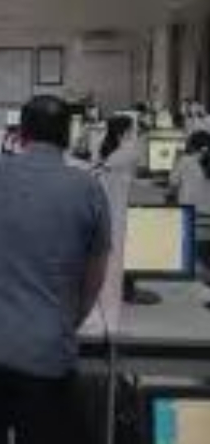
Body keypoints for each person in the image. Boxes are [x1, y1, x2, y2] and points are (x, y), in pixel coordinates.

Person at [0, 95, 111, 444]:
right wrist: (63, 324)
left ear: (20, 134)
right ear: (68, 137)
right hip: (44, 355)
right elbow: (94, 279)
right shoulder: (89, 189)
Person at [93, 115, 138, 321]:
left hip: (105, 208)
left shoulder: (104, 148)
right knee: (115, 257)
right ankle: (110, 302)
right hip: (118, 209)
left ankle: (104, 299)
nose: (134, 133)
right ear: (124, 132)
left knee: (107, 255)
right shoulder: (128, 151)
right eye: (132, 129)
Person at [171, 130, 210, 215]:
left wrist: (176, 159)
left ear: (192, 146)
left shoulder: (184, 161)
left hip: (189, 212)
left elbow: (173, 184)